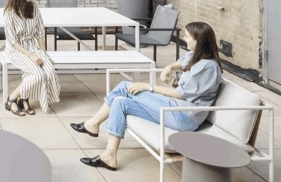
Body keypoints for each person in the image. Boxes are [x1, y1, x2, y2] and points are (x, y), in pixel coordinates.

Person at [72, 21, 223, 171]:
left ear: (199, 41)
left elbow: (180, 95)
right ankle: (109, 156)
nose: (184, 38)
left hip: (184, 116)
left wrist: (148, 87)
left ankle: (92, 124)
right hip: (175, 109)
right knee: (120, 102)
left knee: (125, 86)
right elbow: (182, 61)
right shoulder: (196, 56)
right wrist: (169, 67)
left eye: (188, 36)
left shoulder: (207, 67)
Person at [2, 0, 60, 116]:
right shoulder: (9, 12)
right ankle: (12, 99)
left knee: (49, 71)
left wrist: (43, 54)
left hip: (33, 45)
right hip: (16, 49)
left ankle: (24, 99)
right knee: (37, 73)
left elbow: (40, 33)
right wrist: (31, 56)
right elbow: (12, 41)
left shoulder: (33, 7)